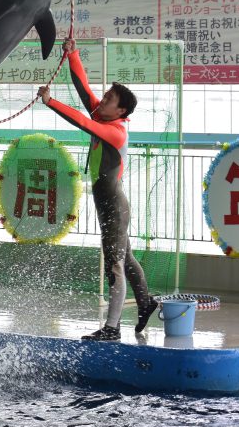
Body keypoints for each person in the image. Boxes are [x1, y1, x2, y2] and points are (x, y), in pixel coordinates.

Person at [38, 37, 157, 341]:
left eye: (109, 100)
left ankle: (112, 328)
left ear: (121, 111)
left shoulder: (114, 132)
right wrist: (73, 54)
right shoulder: (104, 115)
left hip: (114, 206)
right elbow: (84, 91)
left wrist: (51, 102)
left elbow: (82, 122)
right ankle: (146, 302)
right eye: (105, 97)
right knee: (126, 257)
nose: (102, 101)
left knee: (114, 264)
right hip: (110, 204)